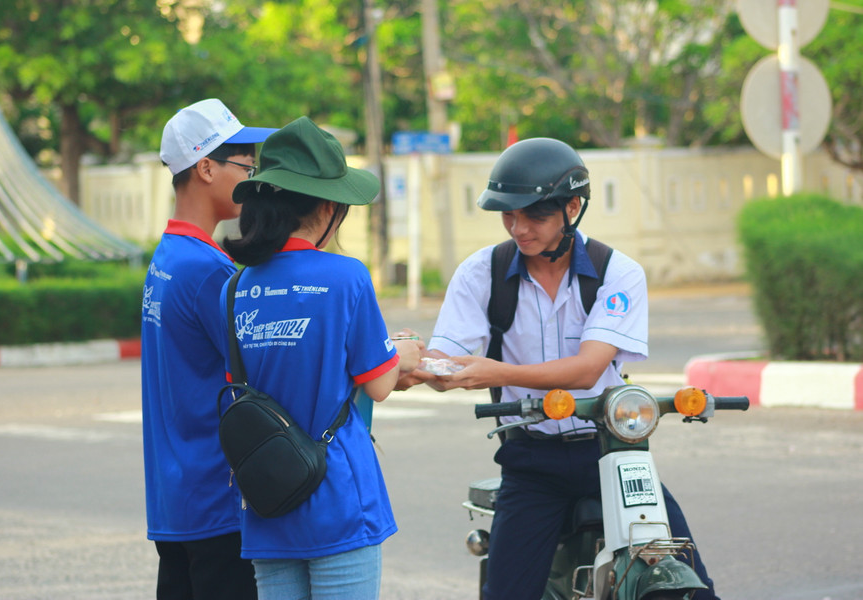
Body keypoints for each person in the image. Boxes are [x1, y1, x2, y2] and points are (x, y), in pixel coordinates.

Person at [399, 137, 720, 600]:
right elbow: (449, 361)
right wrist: (409, 364)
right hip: (531, 464)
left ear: (573, 207)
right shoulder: (481, 273)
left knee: (685, 586)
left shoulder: (617, 273)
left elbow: (588, 369)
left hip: (612, 453)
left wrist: (498, 373)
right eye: (508, 214)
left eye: (535, 215)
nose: (518, 228)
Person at [219, 116, 423, 599]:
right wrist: (407, 354)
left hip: (268, 502)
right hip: (337, 502)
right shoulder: (345, 276)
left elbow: (243, 391)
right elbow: (377, 382)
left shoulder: (235, 288)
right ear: (330, 207)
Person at [141, 98, 277, 600]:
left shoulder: (169, 256)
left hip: (177, 499)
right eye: (246, 166)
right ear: (205, 168)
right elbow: (262, 369)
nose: (253, 179)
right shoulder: (208, 271)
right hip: (216, 504)